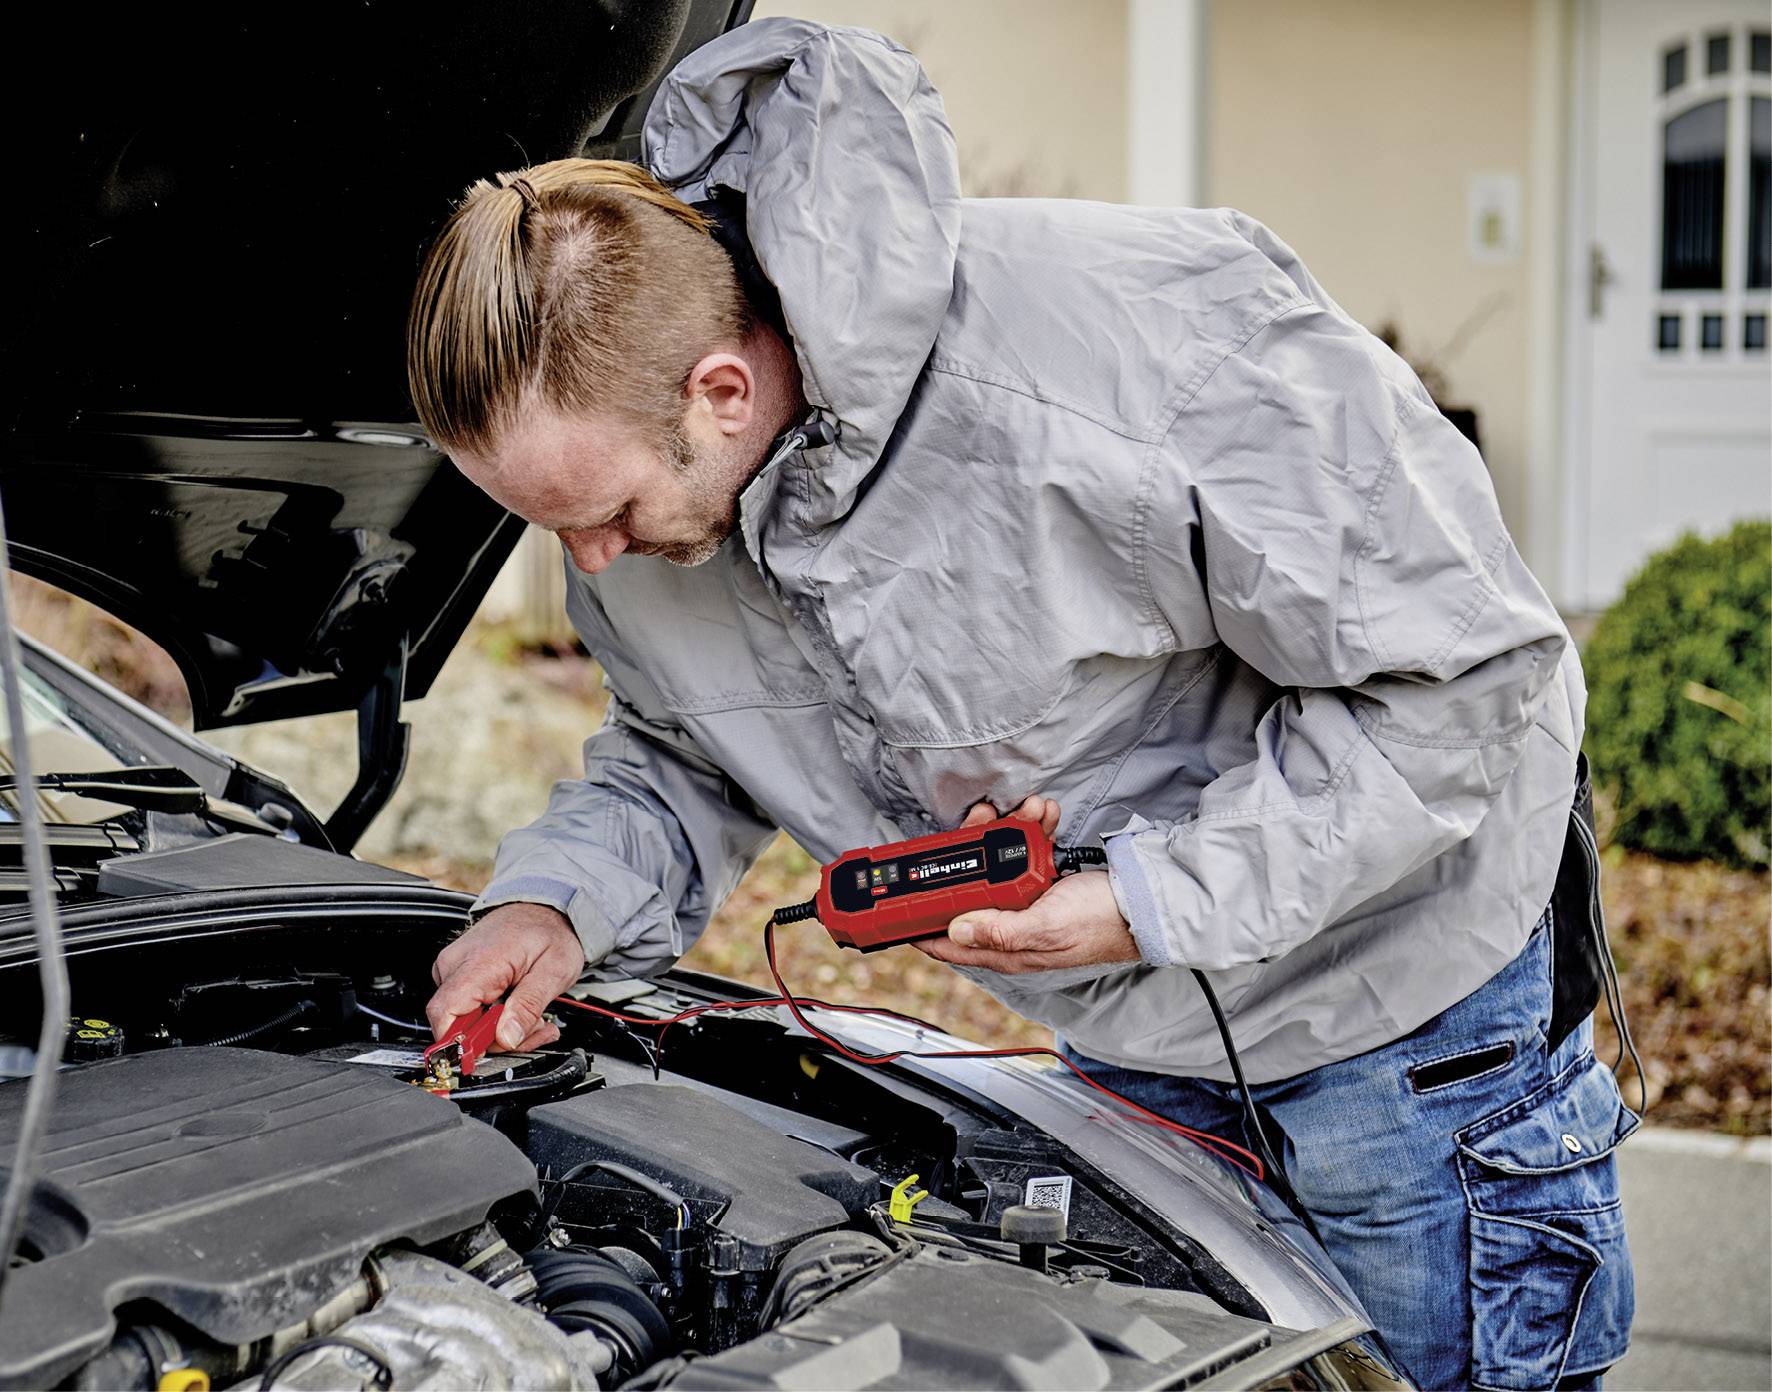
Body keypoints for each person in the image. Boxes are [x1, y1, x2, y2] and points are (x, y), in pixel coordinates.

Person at [408, 19, 1635, 1388]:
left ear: (722, 391)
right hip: (1128, 1049)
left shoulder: (1142, 345)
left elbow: (1464, 676)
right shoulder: (655, 532)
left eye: (608, 510)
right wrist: (555, 901)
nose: (589, 562)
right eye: (545, 526)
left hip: (1399, 1035)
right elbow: (681, 751)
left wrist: (1142, 902)